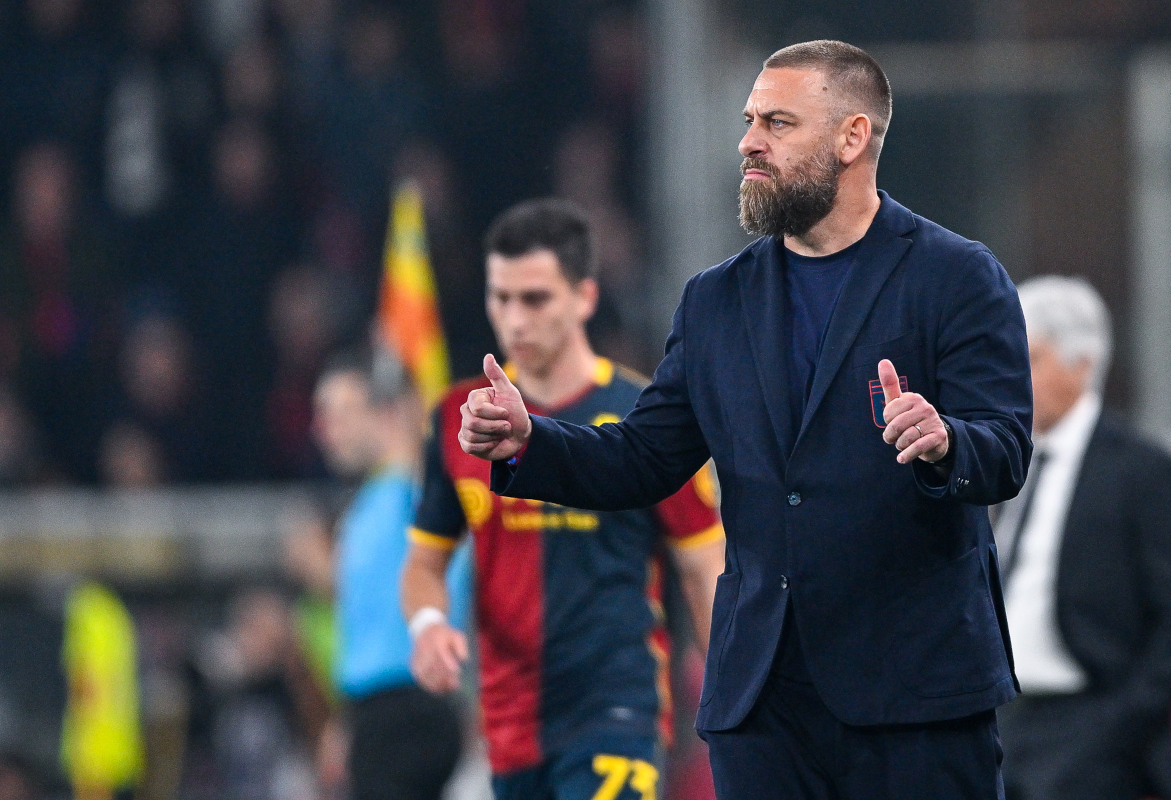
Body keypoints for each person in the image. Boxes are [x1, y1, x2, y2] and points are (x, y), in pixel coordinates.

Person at [459, 41, 1033, 799]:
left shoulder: (956, 276)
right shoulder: (715, 299)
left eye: (778, 122)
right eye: (749, 119)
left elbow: (1006, 446)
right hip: (763, 704)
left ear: (852, 138)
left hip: (915, 696)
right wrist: (532, 439)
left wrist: (945, 441)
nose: (749, 141)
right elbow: (642, 457)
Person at [401, 198, 725, 800]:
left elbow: (704, 564)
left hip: (618, 709)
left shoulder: (648, 418)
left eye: (535, 298)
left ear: (585, 297)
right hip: (507, 721)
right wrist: (427, 625)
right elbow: (424, 562)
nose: (515, 320)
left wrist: (736, 693)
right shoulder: (458, 419)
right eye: (501, 298)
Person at [995, 276, 1171, 800]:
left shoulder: (1139, 470)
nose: (1012, 377)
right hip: (1004, 728)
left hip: (1090, 732)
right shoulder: (1006, 463)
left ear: (1083, 363)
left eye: (1031, 358)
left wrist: (1120, 727)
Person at [312, 350, 471, 800]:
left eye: (339, 412)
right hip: (376, 712)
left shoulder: (414, 487)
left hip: (406, 708)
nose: (325, 430)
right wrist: (349, 720)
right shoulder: (372, 501)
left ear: (385, 413)